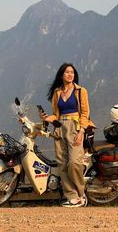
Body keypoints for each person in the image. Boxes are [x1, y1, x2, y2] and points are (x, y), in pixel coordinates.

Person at [40, 62, 95, 207]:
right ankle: (72, 196)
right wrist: (47, 118)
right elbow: (55, 115)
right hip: (59, 129)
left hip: (75, 127)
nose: (70, 75)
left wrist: (82, 131)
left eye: (72, 72)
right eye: (67, 72)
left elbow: (85, 113)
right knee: (62, 164)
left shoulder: (80, 91)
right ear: (61, 75)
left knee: (75, 162)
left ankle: (81, 193)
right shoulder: (57, 92)